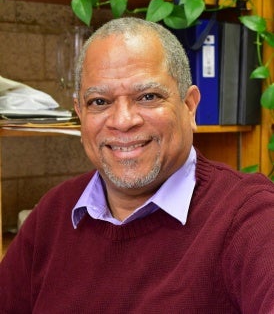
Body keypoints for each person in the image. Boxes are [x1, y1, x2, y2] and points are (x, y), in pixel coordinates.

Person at [0, 17, 273, 313]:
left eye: (148, 96)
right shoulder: (53, 213)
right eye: (100, 102)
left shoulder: (250, 216)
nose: (122, 121)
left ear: (190, 106)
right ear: (80, 115)